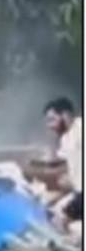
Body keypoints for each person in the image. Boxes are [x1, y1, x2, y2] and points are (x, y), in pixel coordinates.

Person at [43, 97, 82, 229]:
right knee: (55, 217)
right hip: (79, 193)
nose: (50, 126)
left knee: (60, 221)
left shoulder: (80, 127)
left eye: (52, 120)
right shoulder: (65, 139)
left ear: (65, 115)